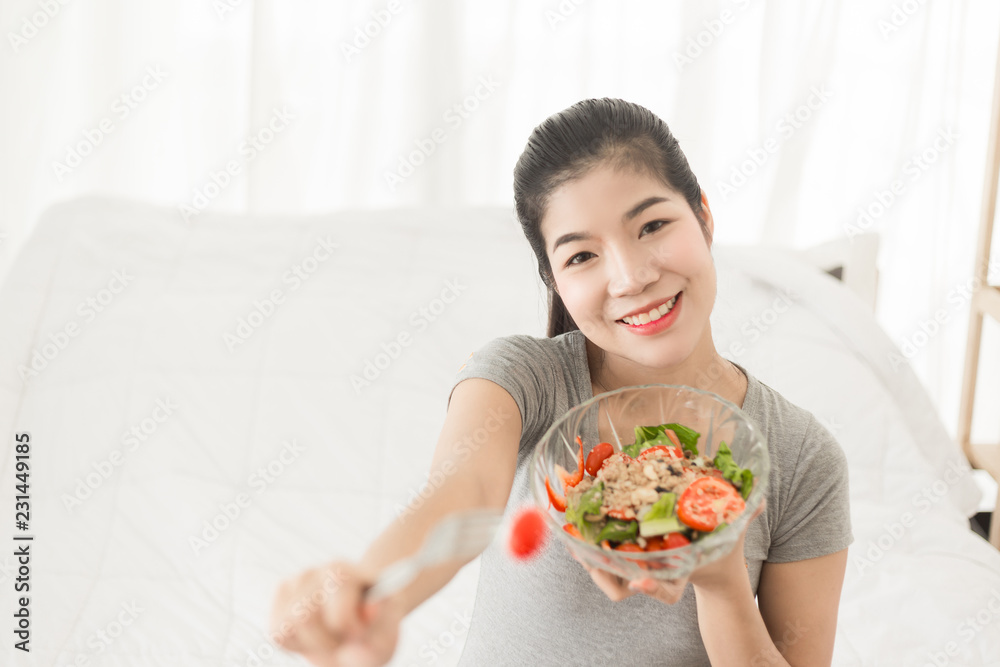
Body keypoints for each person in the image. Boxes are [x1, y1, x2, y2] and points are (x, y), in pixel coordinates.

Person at [270, 97, 853, 666]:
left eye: (652, 225)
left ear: (702, 215)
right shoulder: (522, 379)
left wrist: (722, 586)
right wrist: (375, 594)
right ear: (553, 278)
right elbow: (463, 491)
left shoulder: (801, 457)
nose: (630, 277)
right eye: (581, 257)